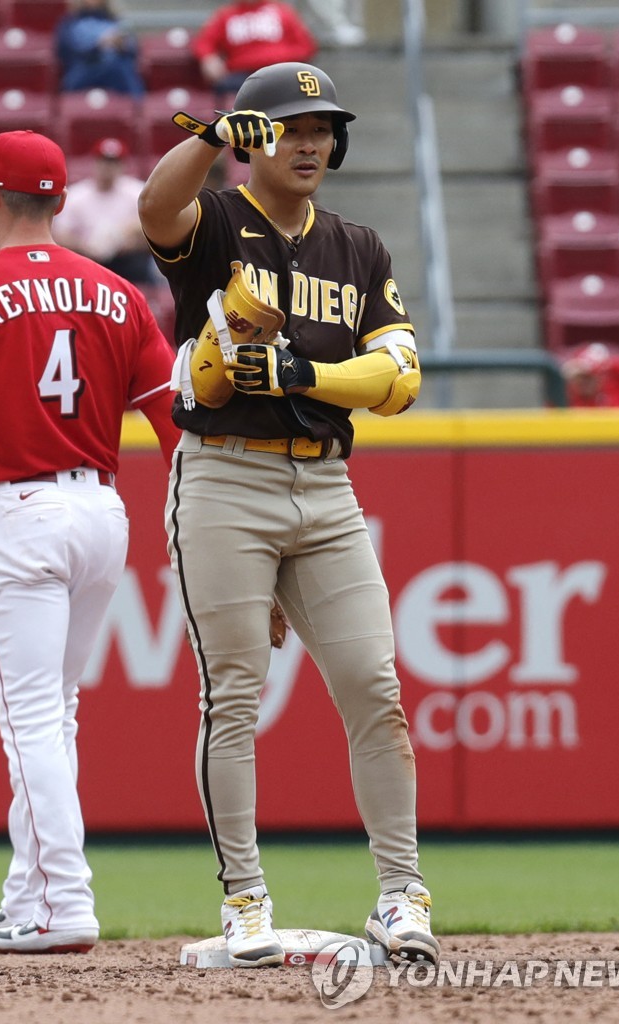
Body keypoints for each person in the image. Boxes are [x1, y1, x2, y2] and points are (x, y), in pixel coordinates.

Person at [137, 62, 438, 968]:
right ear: (257, 136)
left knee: (376, 691)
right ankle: (245, 902)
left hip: (325, 488)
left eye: (320, 129)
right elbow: (156, 212)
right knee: (231, 698)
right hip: (225, 477)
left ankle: (401, 896)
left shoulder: (358, 245)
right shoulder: (221, 217)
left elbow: (399, 379)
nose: (307, 142)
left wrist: (306, 375)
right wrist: (207, 139)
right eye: (289, 126)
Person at [0, 130, 179, 955]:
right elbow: (168, 420)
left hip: (15, 508)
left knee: (28, 721)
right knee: (53, 717)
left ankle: (65, 901)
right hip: (100, 511)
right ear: (59, 200)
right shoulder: (117, 292)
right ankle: (27, 893)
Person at [52, 137, 157, 285]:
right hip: (87, 258)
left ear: (122, 165)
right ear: (95, 163)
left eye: (113, 163)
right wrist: (84, 246)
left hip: (128, 260)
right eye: (104, 162)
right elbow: (60, 234)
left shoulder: (137, 192)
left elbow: (156, 229)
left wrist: (125, 239)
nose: (107, 168)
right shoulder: (77, 195)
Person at [191, 1, 317, 95]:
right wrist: (208, 57)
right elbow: (203, 42)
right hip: (242, 77)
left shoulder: (282, 12)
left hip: (280, 72)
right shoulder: (226, 16)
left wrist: (278, 59)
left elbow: (306, 46)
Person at [55, 0, 145, 96]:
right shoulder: (69, 23)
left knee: (123, 69)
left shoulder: (117, 21)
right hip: (82, 70)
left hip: (116, 70)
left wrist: (122, 46)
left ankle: (139, 108)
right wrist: (98, 46)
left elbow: (133, 50)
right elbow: (65, 50)